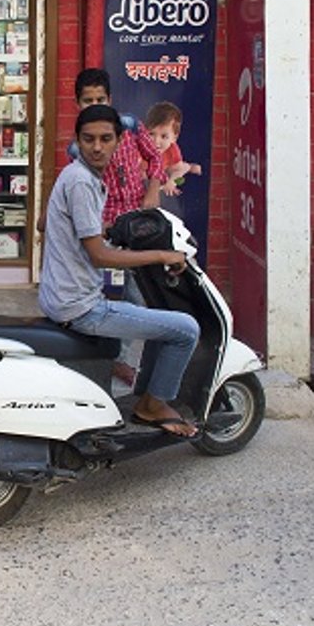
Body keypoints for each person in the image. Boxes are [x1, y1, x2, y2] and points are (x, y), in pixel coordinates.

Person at [40, 104, 200, 438]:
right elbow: (99, 256)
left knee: (158, 321)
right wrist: (161, 255)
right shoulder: (82, 182)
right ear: (77, 142)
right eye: (88, 140)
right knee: (185, 329)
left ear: (119, 141)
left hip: (62, 297)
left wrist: (121, 228)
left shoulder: (81, 178)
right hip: (81, 306)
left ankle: (145, 394)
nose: (97, 147)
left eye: (105, 139)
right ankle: (152, 406)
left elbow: (86, 232)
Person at [68, 68, 169, 386]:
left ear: (110, 99)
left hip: (136, 227)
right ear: (78, 103)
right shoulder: (78, 148)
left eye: (100, 99)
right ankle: (101, 362)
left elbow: (156, 160)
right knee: (97, 298)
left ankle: (123, 359)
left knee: (139, 298)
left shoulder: (129, 127)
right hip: (105, 232)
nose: (94, 104)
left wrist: (153, 189)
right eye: (88, 100)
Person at [145, 101, 203, 197]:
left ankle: (189, 167)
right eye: (151, 134)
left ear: (174, 138)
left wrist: (172, 182)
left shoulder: (172, 150)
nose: (156, 141)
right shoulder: (140, 148)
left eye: (164, 136)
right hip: (152, 171)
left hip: (167, 168)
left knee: (182, 171)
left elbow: (177, 172)